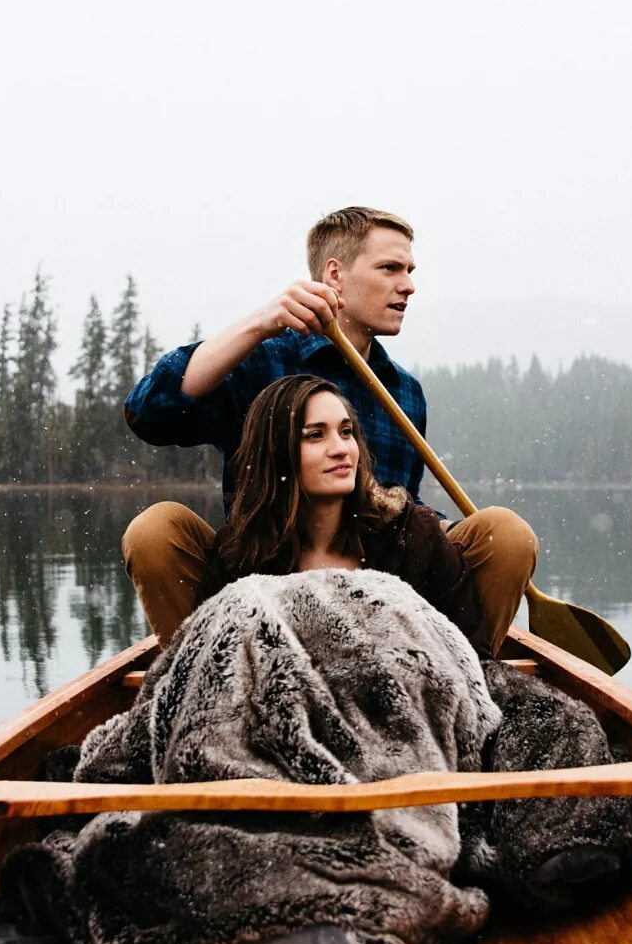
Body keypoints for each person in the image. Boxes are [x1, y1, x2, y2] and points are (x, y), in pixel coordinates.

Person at [121, 206, 536, 651]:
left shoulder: (404, 391)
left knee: (504, 534)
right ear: (334, 275)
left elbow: (399, 502)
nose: (408, 285)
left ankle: (463, 680)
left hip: (383, 597)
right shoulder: (263, 359)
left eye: (410, 271)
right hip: (260, 580)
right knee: (155, 530)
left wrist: (435, 531)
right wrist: (262, 321)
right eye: (390, 268)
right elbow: (150, 412)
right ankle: (200, 678)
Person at [200, 374, 485, 648]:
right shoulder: (239, 556)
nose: (341, 449)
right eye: (315, 435)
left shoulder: (409, 535)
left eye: (346, 432)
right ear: (275, 452)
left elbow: (468, 653)